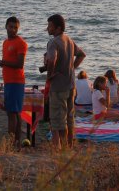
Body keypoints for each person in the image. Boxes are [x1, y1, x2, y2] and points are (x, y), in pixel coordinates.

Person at [45, 14, 86, 150]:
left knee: (57, 119)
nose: (47, 29)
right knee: (69, 118)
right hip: (70, 85)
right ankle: (69, 145)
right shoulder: (69, 40)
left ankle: (58, 148)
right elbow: (81, 54)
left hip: (58, 86)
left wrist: (50, 74)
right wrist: (72, 67)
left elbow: (51, 59)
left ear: (57, 28)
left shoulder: (54, 42)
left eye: (49, 26)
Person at [0, 16, 28, 150]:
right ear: (6, 26)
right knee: (14, 112)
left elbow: (19, 64)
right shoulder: (5, 43)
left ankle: (12, 143)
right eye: (11, 27)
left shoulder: (21, 43)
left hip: (16, 82)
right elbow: (6, 64)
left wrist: (0, 61)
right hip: (8, 81)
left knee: (13, 113)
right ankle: (15, 143)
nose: (13, 30)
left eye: (15, 28)